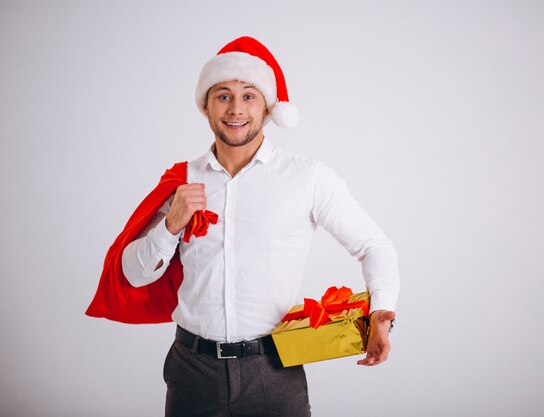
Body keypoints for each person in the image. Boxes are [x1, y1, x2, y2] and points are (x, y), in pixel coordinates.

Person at [120, 36, 399, 417]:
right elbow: (132, 275)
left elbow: (373, 245)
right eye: (223, 95)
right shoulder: (181, 182)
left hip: (274, 369)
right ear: (205, 106)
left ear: (268, 107)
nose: (236, 108)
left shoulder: (308, 179)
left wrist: (381, 314)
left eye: (249, 95)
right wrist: (171, 226)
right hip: (192, 369)